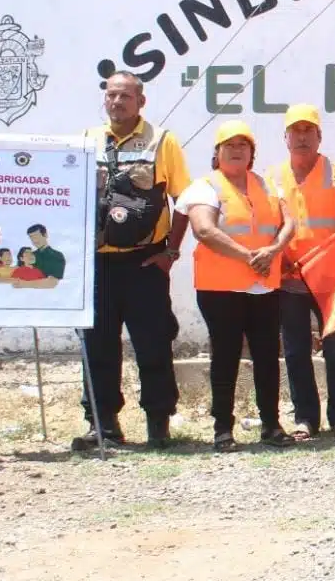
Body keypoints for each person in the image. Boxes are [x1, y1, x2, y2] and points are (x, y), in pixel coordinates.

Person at [77, 71, 192, 451]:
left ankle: (158, 425)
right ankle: (103, 425)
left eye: (125, 96)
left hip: (145, 264)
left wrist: (170, 252)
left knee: (154, 343)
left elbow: (186, 202)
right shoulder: (87, 141)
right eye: (111, 95)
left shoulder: (162, 141)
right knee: (98, 345)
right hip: (98, 263)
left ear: (141, 102)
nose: (117, 102)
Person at [180, 120, 298, 452]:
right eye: (229, 145)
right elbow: (204, 230)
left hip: (263, 284)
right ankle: (222, 429)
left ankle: (272, 425)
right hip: (221, 288)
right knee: (226, 356)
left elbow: (289, 222)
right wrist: (249, 256)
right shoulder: (205, 186)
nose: (236, 150)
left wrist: (273, 250)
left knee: (266, 356)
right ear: (216, 153)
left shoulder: (267, 184)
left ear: (252, 153)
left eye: (243, 145)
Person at [269, 104, 335, 439]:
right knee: (294, 351)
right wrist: (277, 262)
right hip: (289, 279)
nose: (302, 137)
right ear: (285, 137)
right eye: (296, 131)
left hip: (331, 281)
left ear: (319, 136)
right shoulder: (271, 178)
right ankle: (305, 418)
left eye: (309, 131)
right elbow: (267, 228)